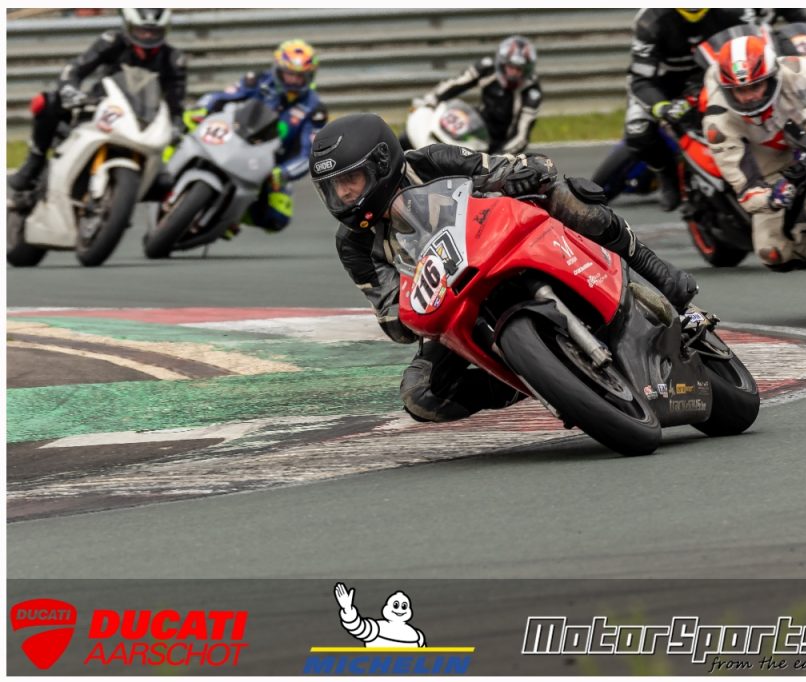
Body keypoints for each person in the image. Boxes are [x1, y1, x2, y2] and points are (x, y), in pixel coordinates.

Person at [310, 113, 698, 423]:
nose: (343, 194)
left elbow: (510, 167)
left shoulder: (431, 161)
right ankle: (536, 379)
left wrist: (522, 174)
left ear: (381, 163)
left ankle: (658, 272)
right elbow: (393, 318)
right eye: (332, 187)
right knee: (419, 395)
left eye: (350, 180)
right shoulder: (353, 245)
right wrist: (408, 310)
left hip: (499, 239)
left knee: (568, 197)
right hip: (450, 301)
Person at [625, 8, 806, 212]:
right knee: (638, 132)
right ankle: (667, 176)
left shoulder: (734, 9)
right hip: (666, 85)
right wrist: (662, 106)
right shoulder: (650, 20)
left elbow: (759, 42)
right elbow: (640, 78)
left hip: (725, 78)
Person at [702, 32, 806, 272]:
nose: (749, 97)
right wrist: (772, 197)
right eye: (739, 90)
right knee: (773, 253)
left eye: (755, 86)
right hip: (775, 167)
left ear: (771, 77)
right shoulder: (718, 123)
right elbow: (745, 187)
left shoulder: (794, 69)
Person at [8, 9, 186, 198]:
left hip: (142, 121)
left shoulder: (173, 59)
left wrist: (176, 125)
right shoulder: (112, 41)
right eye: (142, 31)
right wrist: (70, 90)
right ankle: (34, 162)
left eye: (154, 32)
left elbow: (176, 102)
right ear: (128, 26)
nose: (148, 36)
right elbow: (76, 69)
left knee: (165, 183)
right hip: (102, 107)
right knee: (47, 102)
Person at [180, 39, 327, 235]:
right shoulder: (257, 80)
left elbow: (308, 154)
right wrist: (201, 109)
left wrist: (283, 172)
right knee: (183, 131)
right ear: (278, 69)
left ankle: (231, 217)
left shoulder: (315, 110)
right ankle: (168, 173)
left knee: (278, 217)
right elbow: (222, 96)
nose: (293, 80)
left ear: (310, 76)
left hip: (268, 164)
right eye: (289, 74)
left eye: (299, 76)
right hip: (234, 137)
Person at [409, 35, 541, 155]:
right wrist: (431, 99)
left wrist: (499, 157)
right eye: (510, 67)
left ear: (527, 70)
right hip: (476, 125)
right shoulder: (488, 69)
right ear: (502, 63)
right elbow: (457, 83)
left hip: (495, 146)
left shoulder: (531, 92)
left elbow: (521, 137)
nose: (513, 73)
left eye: (518, 69)